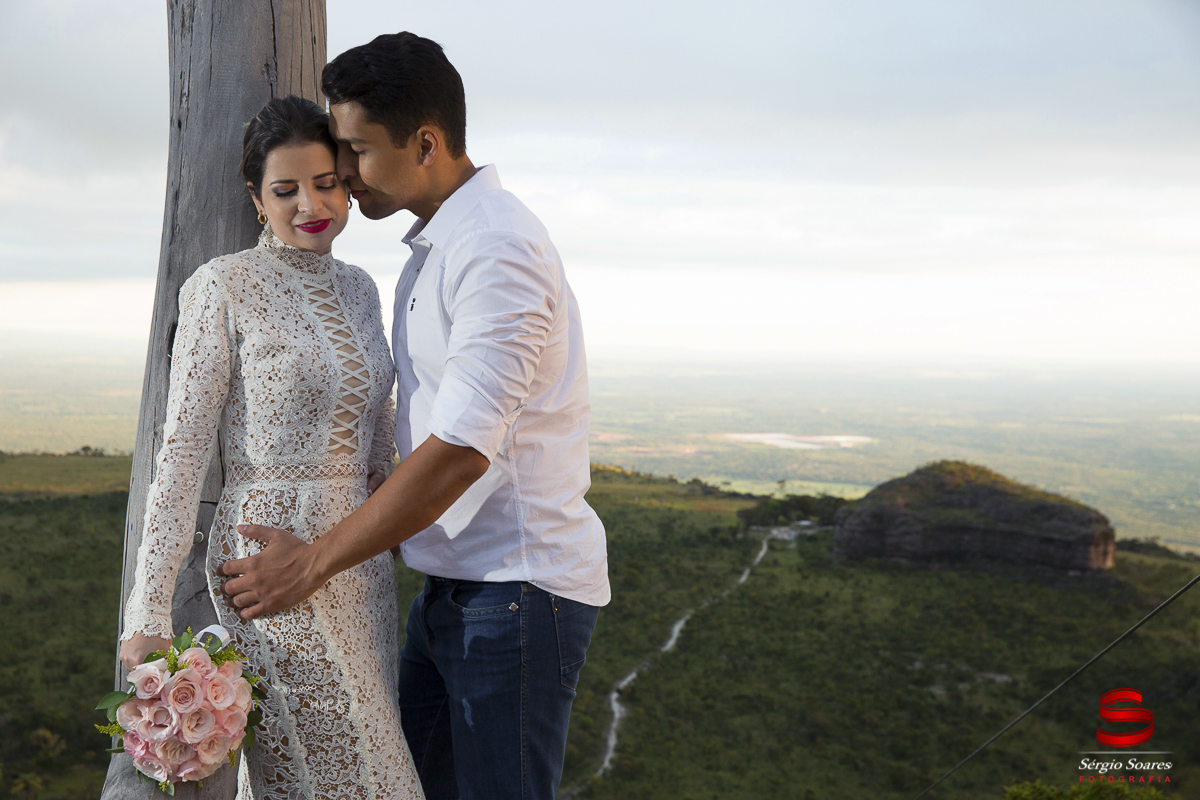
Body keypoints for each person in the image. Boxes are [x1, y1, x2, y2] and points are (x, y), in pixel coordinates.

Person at [220, 32, 611, 800]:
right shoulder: (435, 250)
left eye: (358, 150)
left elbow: (461, 451)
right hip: (451, 593)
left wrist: (314, 560)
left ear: (426, 142)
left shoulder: (495, 248)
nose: (345, 175)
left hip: (517, 596)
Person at [118, 96, 424, 800]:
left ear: (346, 185)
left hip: (359, 566)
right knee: (357, 778)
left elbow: (377, 439)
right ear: (258, 200)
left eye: (325, 183)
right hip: (270, 569)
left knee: (354, 766)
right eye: (285, 190)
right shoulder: (223, 286)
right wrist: (147, 615)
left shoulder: (360, 289)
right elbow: (181, 458)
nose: (309, 204)